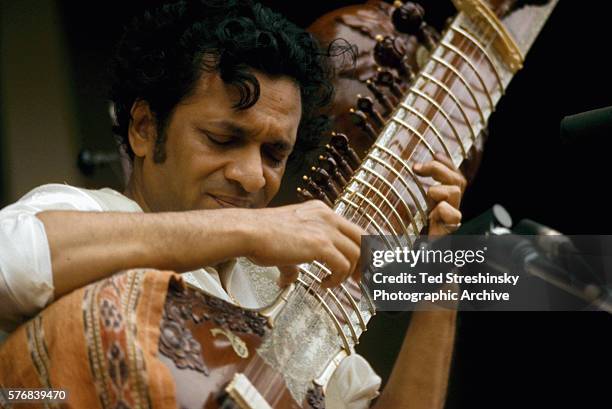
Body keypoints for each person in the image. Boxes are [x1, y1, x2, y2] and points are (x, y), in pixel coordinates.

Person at [0, 1, 464, 407]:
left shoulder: (286, 294)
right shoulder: (85, 214)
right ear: (143, 128)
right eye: (223, 138)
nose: (252, 175)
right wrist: (248, 229)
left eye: (274, 154)